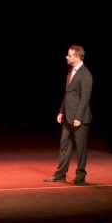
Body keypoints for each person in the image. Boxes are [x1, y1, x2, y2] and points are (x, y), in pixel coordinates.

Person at [45, 45, 93, 185]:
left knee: (81, 148)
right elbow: (68, 94)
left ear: (77, 57)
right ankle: (60, 174)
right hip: (67, 115)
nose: (67, 57)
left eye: (69, 55)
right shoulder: (71, 71)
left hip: (80, 118)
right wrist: (61, 111)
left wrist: (78, 117)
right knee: (64, 145)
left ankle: (80, 176)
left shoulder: (86, 74)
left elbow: (85, 98)